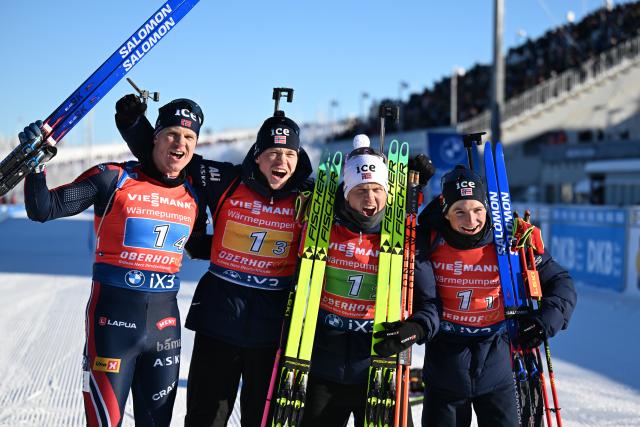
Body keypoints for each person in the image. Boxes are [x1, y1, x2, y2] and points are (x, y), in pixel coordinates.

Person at [115, 94, 313, 426]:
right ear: (258, 156)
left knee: (261, 419)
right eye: (274, 153)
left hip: (273, 330)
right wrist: (135, 124)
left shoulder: (310, 197)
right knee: (206, 418)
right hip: (218, 323)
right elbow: (172, 158)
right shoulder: (225, 180)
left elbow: (358, 202)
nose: (282, 161)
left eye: (290, 154)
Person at [22, 98, 205, 426]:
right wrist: (35, 167)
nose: (180, 144)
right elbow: (44, 209)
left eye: (189, 138)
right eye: (172, 135)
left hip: (165, 329)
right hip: (112, 326)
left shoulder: (194, 193)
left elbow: (208, 242)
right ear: (155, 137)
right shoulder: (112, 179)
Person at [375, 164, 577, 427]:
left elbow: (560, 283)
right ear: (445, 212)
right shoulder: (426, 242)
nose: (470, 221)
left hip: (499, 365)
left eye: (477, 210)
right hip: (444, 369)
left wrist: (543, 322)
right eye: (459, 211)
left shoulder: (511, 241)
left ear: (487, 209)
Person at [300, 135, 433, 427]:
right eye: (360, 190)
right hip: (324, 366)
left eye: (376, 189)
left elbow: (430, 304)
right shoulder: (321, 229)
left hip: (380, 367)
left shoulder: (408, 238)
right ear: (345, 192)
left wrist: (415, 329)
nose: (370, 199)